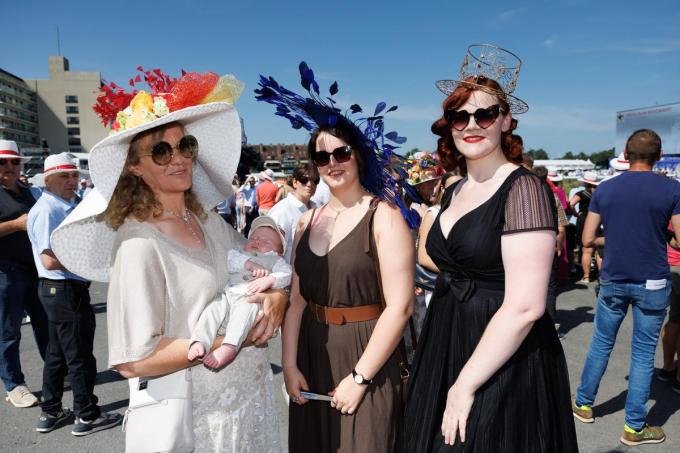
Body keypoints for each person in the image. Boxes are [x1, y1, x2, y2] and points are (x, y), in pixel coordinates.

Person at [50, 69, 286, 451]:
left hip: (248, 402)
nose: (179, 158)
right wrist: (232, 339)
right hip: (199, 419)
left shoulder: (207, 220)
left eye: (185, 145)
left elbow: (260, 265)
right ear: (134, 166)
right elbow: (133, 360)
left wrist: (277, 297)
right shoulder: (138, 241)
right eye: (161, 150)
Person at [401, 44, 578, 452]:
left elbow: (526, 306)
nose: (471, 124)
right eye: (459, 116)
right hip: (446, 338)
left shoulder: (524, 189)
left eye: (485, 113)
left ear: (506, 121)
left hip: (502, 357)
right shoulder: (455, 189)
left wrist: (465, 385)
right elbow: (441, 259)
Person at [257, 62, 416, 452]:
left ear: (358, 155)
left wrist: (360, 377)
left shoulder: (384, 215)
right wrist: (290, 366)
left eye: (341, 152)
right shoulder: (305, 221)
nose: (332, 163)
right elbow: (295, 302)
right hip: (312, 351)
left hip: (368, 353)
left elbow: (401, 307)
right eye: (322, 156)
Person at [573, 129, 680, 446]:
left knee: (601, 343)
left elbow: (588, 239)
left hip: (614, 278)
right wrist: (663, 237)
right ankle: (634, 427)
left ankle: (583, 404)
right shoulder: (672, 189)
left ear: (625, 153)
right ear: (659, 156)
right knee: (644, 354)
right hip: (653, 280)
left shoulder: (605, 190)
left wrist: (613, 238)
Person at [26, 153, 122, 435]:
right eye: (65, 176)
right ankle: (87, 415)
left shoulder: (62, 204)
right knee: (79, 355)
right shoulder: (48, 209)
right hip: (64, 289)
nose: (72, 181)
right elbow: (50, 260)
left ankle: (51, 410)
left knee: (57, 355)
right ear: (48, 179)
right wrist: (91, 261)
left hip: (60, 290)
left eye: (73, 175)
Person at [188, 216, 291, 369]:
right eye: (254, 238)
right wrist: (247, 263)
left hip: (249, 298)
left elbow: (287, 274)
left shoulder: (275, 261)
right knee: (211, 310)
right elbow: (229, 260)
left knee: (244, 314)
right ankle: (199, 341)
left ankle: (229, 346)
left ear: (278, 252)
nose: (257, 241)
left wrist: (270, 280)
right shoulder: (239, 254)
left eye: (266, 242)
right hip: (228, 294)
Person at [0, 139, 49, 409]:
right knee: (8, 333)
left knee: (45, 325)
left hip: (34, 270)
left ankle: (54, 371)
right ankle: (13, 384)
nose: (9, 166)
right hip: (5, 273)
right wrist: (15, 225)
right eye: (2, 161)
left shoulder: (30, 192)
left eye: (14, 161)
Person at [267, 164, 318, 263]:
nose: (310, 184)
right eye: (304, 179)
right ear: (295, 183)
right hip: (290, 274)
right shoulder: (282, 210)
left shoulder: (315, 208)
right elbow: (271, 253)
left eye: (315, 180)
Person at [659, 221, 680, 393]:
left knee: (674, 320)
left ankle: (667, 368)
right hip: (676, 267)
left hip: (670, 266)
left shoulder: (671, 199)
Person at [570, 171, 600, 282]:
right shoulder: (600, 193)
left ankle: (586, 276)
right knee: (598, 250)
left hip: (584, 219)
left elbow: (571, 203)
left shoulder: (581, 193)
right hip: (598, 219)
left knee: (586, 249)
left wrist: (575, 213)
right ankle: (600, 275)